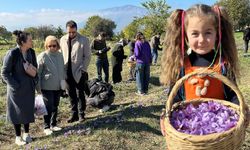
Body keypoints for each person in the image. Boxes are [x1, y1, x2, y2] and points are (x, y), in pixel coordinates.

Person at [159, 4, 242, 135]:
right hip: (189, 131)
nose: (202, 40)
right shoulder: (181, 65)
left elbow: (232, 95)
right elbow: (174, 97)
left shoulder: (223, 64)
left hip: (218, 131)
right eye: (195, 34)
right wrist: (166, 115)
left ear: (217, 34)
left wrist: (240, 109)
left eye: (208, 32)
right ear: (186, 36)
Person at [1, 30, 38, 145]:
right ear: (22, 42)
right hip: (16, 89)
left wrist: (34, 81)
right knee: (16, 112)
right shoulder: (12, 53)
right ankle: (17, 137)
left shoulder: (31, 52)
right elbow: (4, 73)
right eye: (30, 40)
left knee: (27, 110)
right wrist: (15, 85)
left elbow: (35, 68)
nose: (32, 42)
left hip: (28, 87)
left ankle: (26, 134)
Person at [60, 20, 91, 123]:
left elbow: (87, 57)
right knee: (71, 94)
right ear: (66, 30)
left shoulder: (84, 40)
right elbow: (61, 54)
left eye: (73, 32)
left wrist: (83, 69)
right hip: (66, 71)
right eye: (69, 32)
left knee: (80, 93)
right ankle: (74, 114)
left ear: (76, 29)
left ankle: (82, 114)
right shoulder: (62, 39)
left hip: (78, 71)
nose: (71, 34)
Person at [36, 35, 66, 135]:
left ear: (57, 45)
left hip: (58, 85)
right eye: (49, 46)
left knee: (55, 106)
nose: (52, 47)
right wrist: (38, 88)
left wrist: (63, 82)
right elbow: (38, 73)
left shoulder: (60, 55)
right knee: (48, 107)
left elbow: (62, 69)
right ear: (46, 46)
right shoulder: (42, 56)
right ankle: (46, 126)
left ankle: (53, 124)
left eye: (54, 45)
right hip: (46, 86)